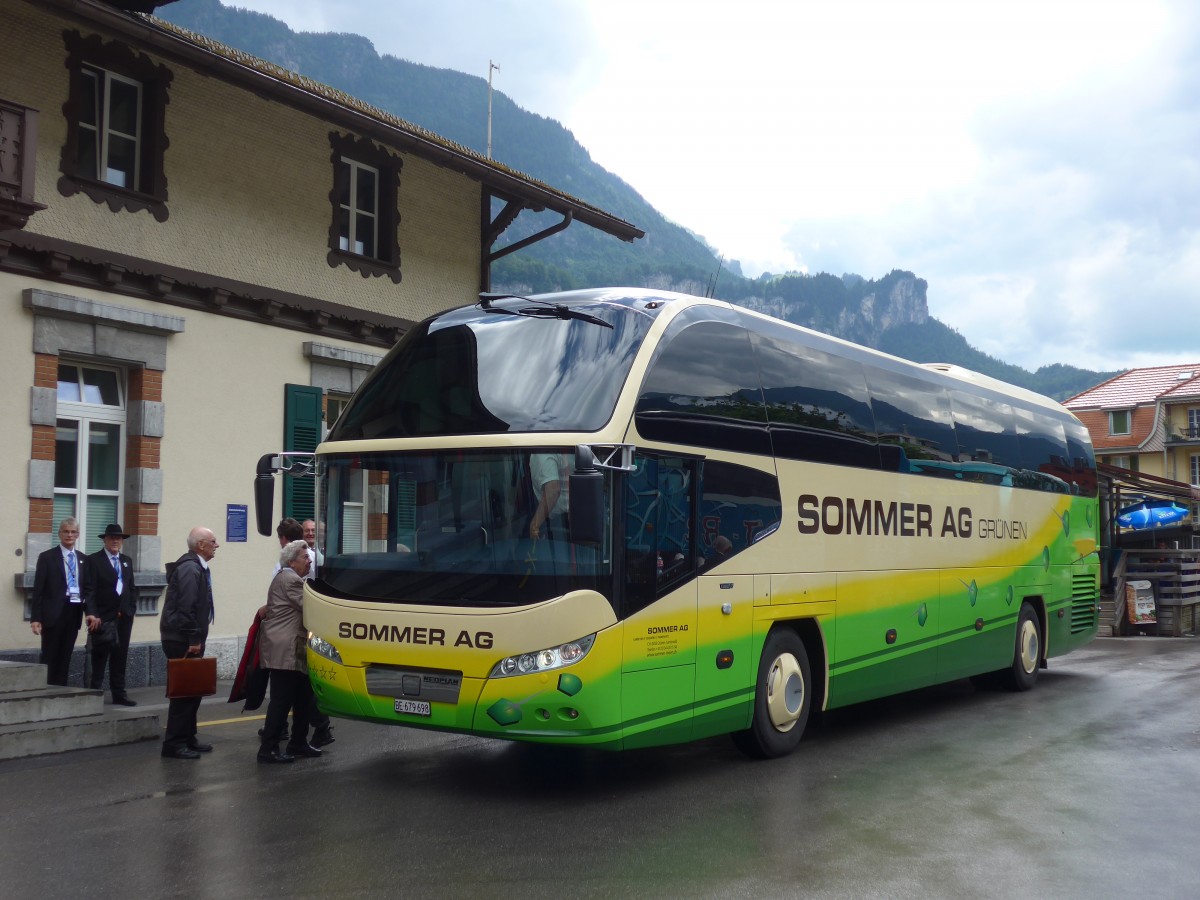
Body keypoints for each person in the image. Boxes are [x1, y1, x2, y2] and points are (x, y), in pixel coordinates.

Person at [258, 540, 322, 764]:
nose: (309, 561)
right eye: (305, 557)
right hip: (286, 651)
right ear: (292, 561)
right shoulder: (290, 579)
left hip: (293, 649)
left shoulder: (289, 578)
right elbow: (311, 607)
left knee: (303, 698)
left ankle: (298, 742)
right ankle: (268, 748)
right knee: (281, 702)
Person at [159, 526, 218, 760]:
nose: (216, 545)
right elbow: (186, 607)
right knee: (184, 693)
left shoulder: (196, 567)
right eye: (213, 541)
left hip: (186, 637)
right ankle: (174, 743)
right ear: (200, 545)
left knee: (193, 690)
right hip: (181, 639)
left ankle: (188, 737)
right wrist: (193, 638)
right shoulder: (190, 569)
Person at [31, 518, 89, 686]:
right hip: (53, 614)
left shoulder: (83, 559)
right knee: (50, 656)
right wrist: (36, 618)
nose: (69, 535)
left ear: (77, 535)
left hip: (73, 612)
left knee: (65, 656)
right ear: (60, 534)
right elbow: (38, 589)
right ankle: (47, 690)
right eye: (66, 531)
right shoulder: (47, 557)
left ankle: (61, 692)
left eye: (73, 532)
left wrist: (90, 612)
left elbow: (88, 588)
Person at [84, 523, 138, 705]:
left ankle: (119, 693)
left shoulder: (126, 561)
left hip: (123, 618)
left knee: (120, 657)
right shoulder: (94, 560)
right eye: (112, 538)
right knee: (99, 658)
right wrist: (92, 613)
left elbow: (131, 587)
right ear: (105, 540)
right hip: (102, 618)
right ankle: (94, 694)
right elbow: (89, 590)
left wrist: (130, 608)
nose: (115, 541)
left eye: (118, 538)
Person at [528, 453, 570, 541]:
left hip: (558, 521)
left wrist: (534, 526)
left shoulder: (541, 452)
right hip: (572, 517)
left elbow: (553, 490)